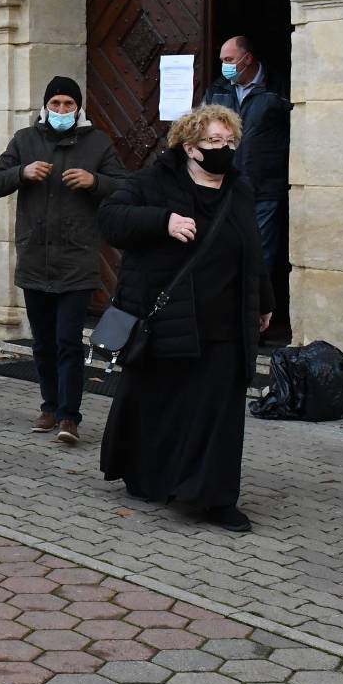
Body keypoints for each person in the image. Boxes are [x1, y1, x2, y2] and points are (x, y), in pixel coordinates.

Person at [97, 104, 273, 533]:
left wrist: (264, 301)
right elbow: (111, 219)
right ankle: (147, 474)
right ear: (190, 147)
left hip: (227, 321)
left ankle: (213, 498)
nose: (224, 149)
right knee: (161, 403)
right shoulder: (155, 181)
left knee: (220, 413)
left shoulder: (239, 188)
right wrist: (163, 221)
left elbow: (253, 248)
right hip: (170, 317)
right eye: (214, 142)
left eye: (229, 142)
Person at [0, 77, 127, 445]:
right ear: (45, 107)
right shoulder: (25, 140)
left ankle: (70, 417)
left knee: (68, 341)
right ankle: (49, 407)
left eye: (68, 104)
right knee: (43, 342)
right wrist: (21, 173)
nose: (62, 110)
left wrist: (94, 181)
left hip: (77, 259)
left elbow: (125, 185)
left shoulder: (96, 142)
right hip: (36, 258)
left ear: (79, 109)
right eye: (56, 104)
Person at [204, 35, 291, 344]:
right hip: (223, 186)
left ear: (247, 59)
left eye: (229, 60)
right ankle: (225, 320)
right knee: (224, 251)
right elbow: (201, 128)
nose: (225, 66)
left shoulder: (278, 88)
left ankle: (255, 324)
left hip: (264, 187)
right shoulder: (219, 89)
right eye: (223, 61)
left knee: (261, 255)